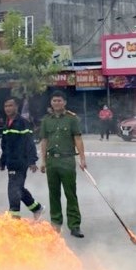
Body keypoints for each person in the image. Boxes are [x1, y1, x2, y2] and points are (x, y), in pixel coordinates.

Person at [38, 91, 87, 238]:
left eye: (59, 100)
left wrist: (83, 159)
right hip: (52, 161)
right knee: (54, 194)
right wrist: (43, 161)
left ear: (64, 102)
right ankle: (55, 224)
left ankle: (75, 225)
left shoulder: (72, 119)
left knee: (70, 194)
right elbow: (44, 141)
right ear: (51, 103)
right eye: (54, 101)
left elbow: (78, 139)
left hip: (67, 160)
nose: (56, 103)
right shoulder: (46, 120)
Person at [0, 97, 43, 220]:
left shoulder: (23, 122)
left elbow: (29, 143)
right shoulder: (7, 123)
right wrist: (2, 161)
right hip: (11, 162)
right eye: (6, 106)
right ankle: (36, 208)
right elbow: (5, 145)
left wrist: (32, 161)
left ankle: (15, 218)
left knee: (13, 189)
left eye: (10, 105)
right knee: (18, 188)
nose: (8, 108)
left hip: (21, 162)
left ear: (16, 107)